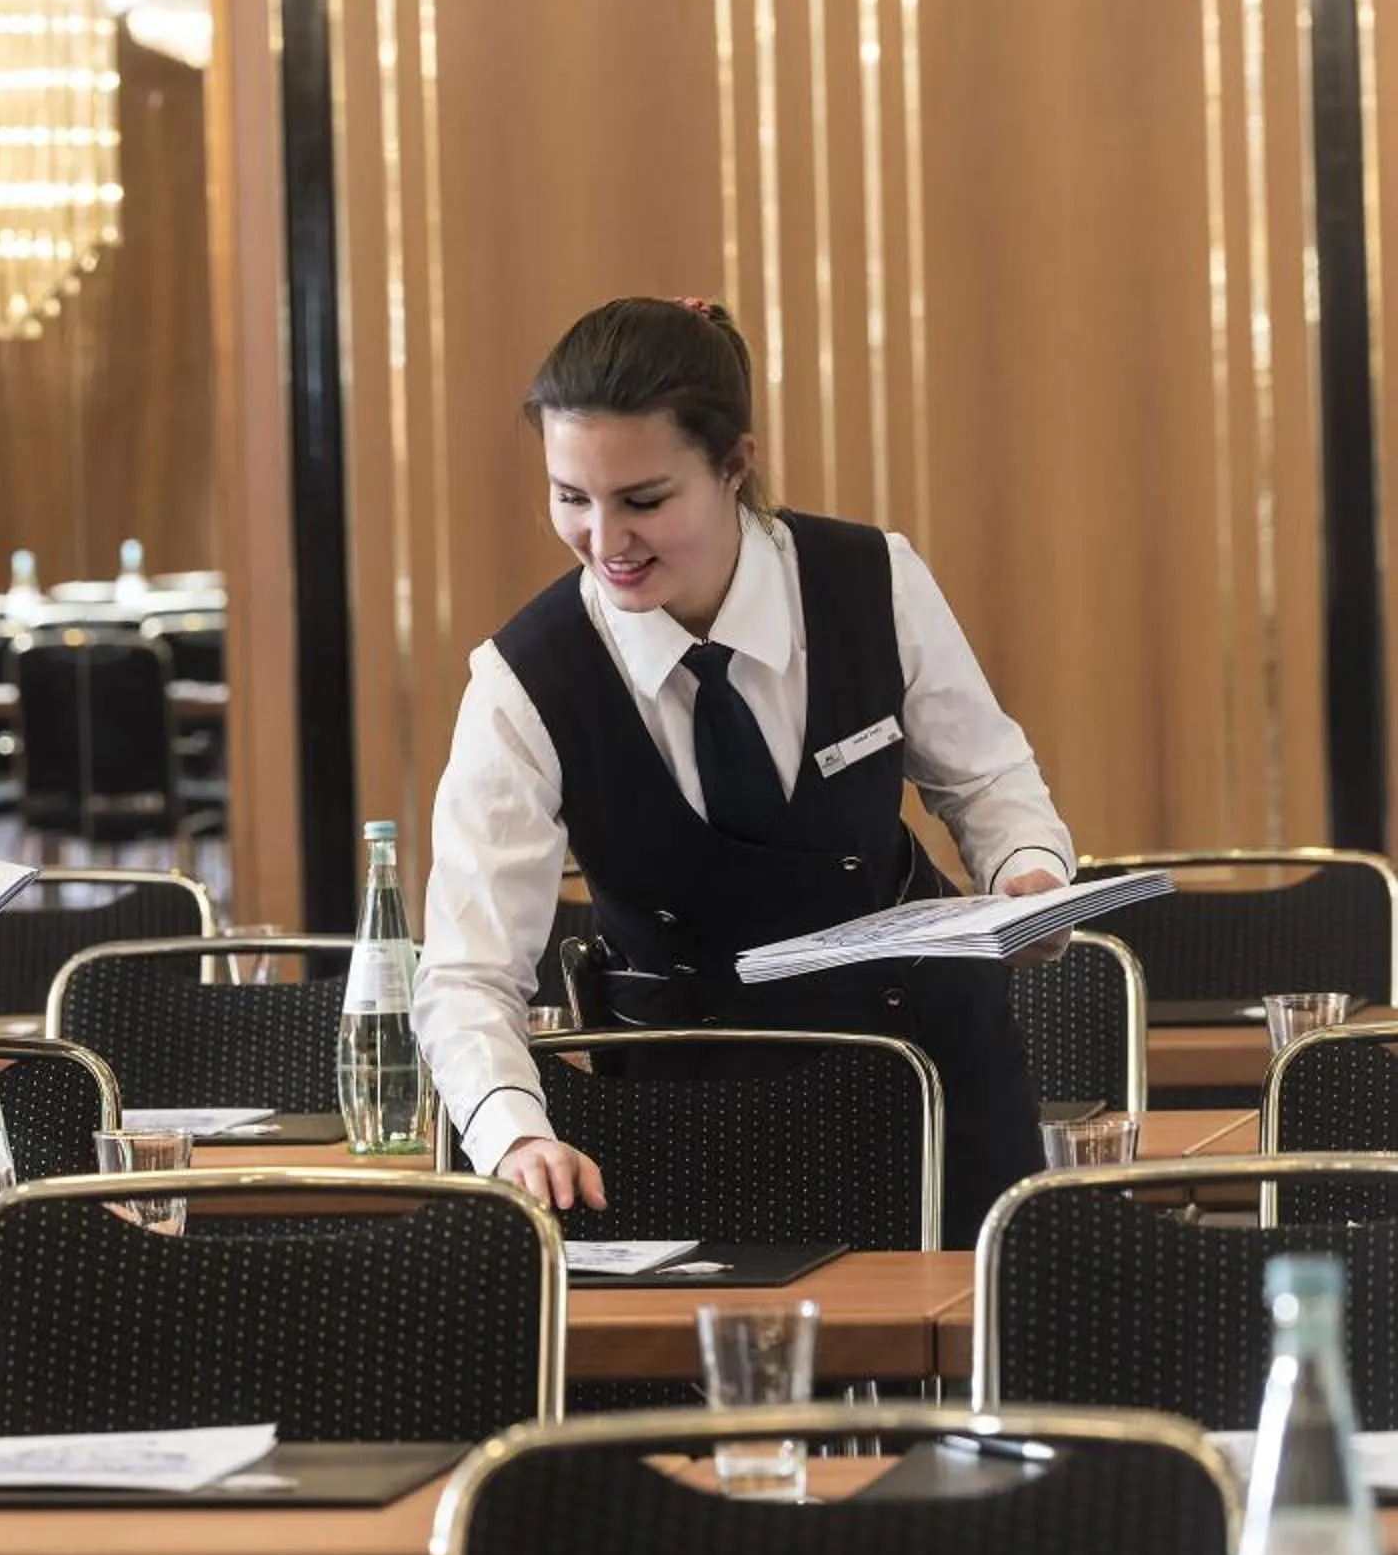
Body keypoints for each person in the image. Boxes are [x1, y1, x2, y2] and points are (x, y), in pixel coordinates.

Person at [414, 295, 1068, 1246]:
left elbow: (985, 778)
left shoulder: (867, 581)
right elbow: (468, 970)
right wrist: (513, 1132)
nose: (605, 542)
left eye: (643, 500)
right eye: (570, 497)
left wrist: (1027, 875)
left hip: (928, 1080)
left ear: (733, 465)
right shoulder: (525, 678)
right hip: (690, 1114)